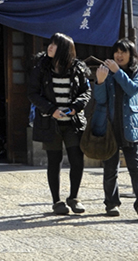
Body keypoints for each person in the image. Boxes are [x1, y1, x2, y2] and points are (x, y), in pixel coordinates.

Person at [27, 32, 91, 214]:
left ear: (64, 49)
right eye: (50, 44)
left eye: (54, 45)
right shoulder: (41, 67)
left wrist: (76, 107)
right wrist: (50, 109)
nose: (50, 47)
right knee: (54, 161)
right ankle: (57, 201)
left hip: (73, 122)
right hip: (50, 122)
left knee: (77, 160)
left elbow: (86, 92)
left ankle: (74, 198)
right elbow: (32, 93)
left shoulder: (78, 68)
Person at [92, 38, 138, 219]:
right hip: (109, 126)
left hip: (131, 127)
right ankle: (111, 204)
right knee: (110, 169)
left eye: (123, 52)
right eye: (116, 52)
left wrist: (117, 72)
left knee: (136, 168)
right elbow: (100, 99)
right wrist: (100, 82)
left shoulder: (137, 72)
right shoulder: (107, 73)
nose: (119, 55)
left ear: (131, 55)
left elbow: (133, 90)